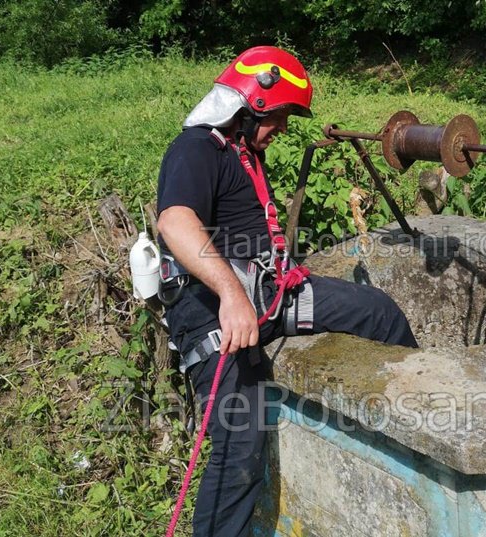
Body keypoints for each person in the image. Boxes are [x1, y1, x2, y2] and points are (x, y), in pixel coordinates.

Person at [155, 46, 417, 537]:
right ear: (254, 102)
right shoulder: (196, 149)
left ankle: (412, 434)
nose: (283, 128)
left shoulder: (244, 153)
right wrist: (232, 296)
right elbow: (176, 221)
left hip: (271, 297)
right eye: (280, 115)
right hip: (217, 316)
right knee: (239, 448)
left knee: (379, 313)